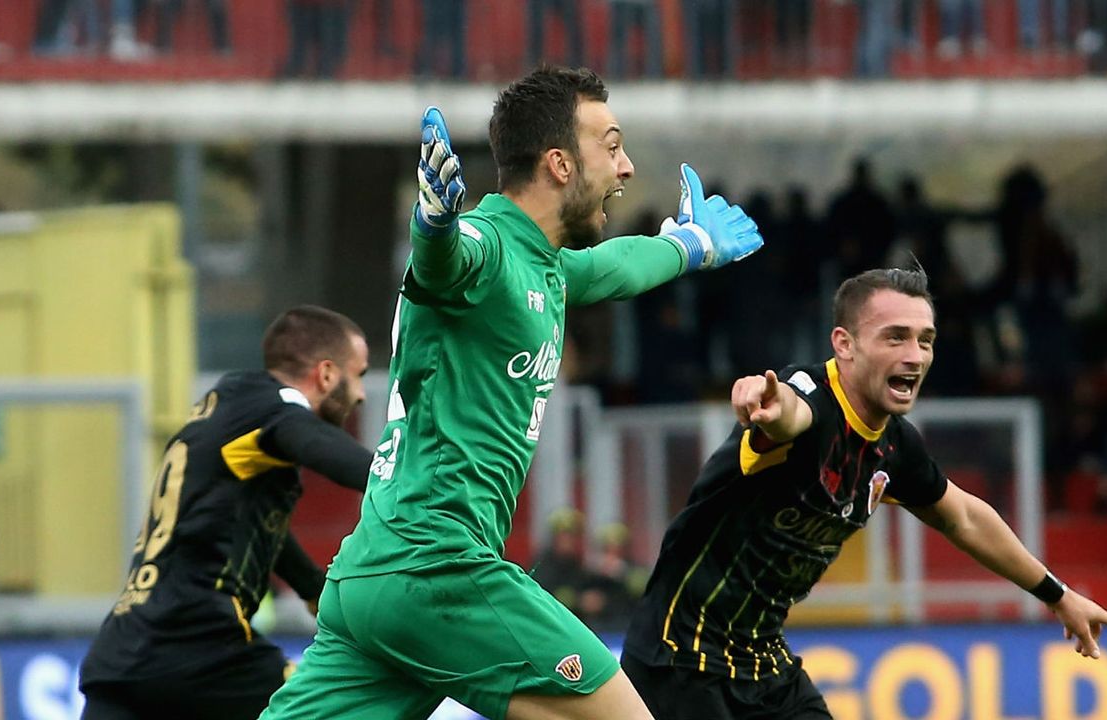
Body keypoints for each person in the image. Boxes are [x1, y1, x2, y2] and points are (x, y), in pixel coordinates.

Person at [259, 65, 762, 720]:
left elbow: (613, 268)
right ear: (558, 163)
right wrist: (433, 226)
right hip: (435, 563)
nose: (628, 167)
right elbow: (445, 260)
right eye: (610, 146)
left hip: (374, 574)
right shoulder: (488, 246)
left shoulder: (542, 263)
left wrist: (691, 243)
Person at [621, 267, 1107, 719]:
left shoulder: (893, 446)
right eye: (896, 338)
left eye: (925, 340)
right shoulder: (808, 402)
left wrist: (1058, 596)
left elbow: (964, 517)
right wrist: (769, 408)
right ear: (844, 344)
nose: (915, 356)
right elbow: (792, 413)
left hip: (761, 665)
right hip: (679, 659)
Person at [78, 305, 373, 720]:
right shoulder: (274, 411)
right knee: (340, 708)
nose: (360, 393)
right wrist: (402, 481)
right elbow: (326, 450)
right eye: (358, 374)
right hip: (199, 644)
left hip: (125, 653)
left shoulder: (228, 409)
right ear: (326, 374)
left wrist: (313, 589)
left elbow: (258, 526)